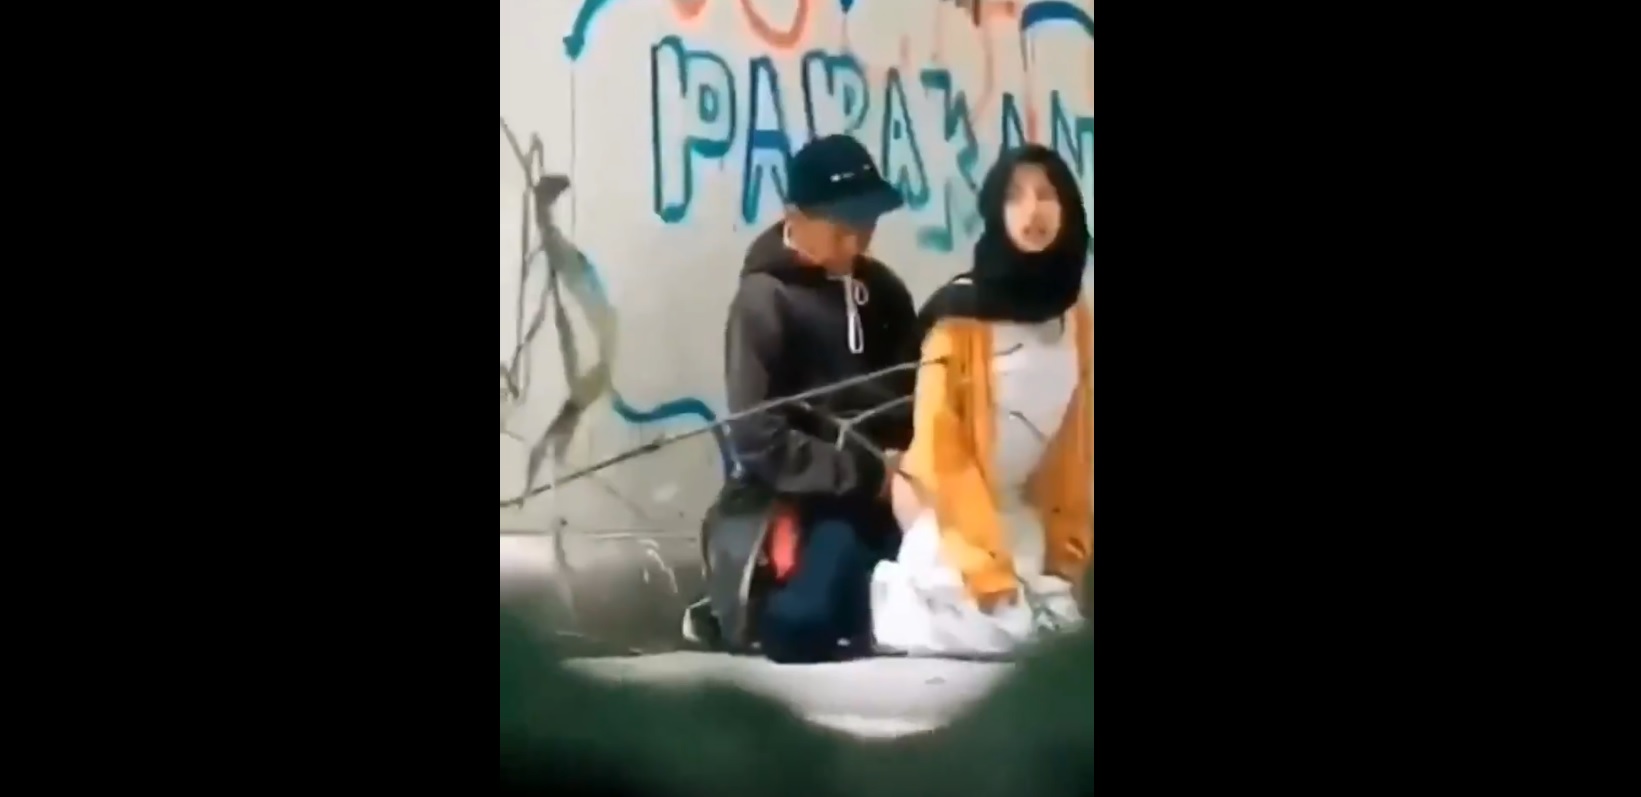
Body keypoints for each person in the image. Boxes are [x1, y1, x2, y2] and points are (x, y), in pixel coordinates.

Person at [683, 134, 921, 663]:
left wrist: (909, 466)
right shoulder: (763, 301)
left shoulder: (886, 292)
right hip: (812, 497)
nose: (856, 242)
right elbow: (758, 437)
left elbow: (912, 395)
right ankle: (730, 609)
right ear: (796, 216)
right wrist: (867, 475)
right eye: (842, 227)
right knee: (803, 624)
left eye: (867, 225)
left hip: (893, 491)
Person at [871, 144, 1093, 659]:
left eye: (1046, 194)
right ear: (995, 211)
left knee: (1052, 638)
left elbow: (1075, 448)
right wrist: (984, 566)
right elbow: (941, 450)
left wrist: (1066, 554)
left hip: (1019, 518)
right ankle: (902, 597)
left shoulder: (1076, 319)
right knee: (999, 631)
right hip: (955, 522)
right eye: (1014, 196)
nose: (1032, 211)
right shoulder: (961, 315)